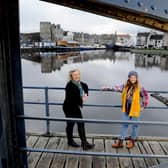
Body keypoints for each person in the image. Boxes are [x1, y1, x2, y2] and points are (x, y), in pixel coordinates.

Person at [102, 71, 149, 149]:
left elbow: (145, 96)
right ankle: (120, 142)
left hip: (135, 109)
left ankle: (132, 141)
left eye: (134, 77)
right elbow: (116, 88)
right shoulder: (125, 86)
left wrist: (143, 106)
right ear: (129, 78)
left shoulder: (140, 87)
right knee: (124, 125)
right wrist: (107, 88)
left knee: (135, 126)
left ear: (136, 78)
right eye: (131, 77)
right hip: (126, 108)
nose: (132, 79)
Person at [63, 69, 95, 150]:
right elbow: (74, 98)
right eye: (75, 75)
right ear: (71, 77)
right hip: (69, 107)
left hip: (75, 107)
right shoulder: (69, 85)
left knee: (80, 124)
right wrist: (82, 98)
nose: (77, 76)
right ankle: (73, 141)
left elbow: (85, 86)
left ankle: (84, 143)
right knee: (72, 124)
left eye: (78, 74)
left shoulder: (80, 84)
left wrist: (85, 94)